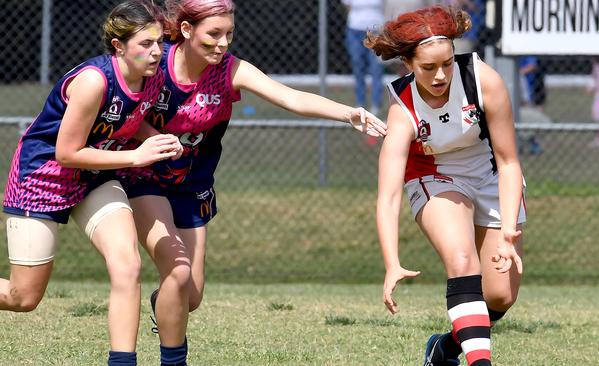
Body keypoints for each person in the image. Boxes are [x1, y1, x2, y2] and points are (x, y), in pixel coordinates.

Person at [116, 1, 387, 365]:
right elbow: (121, 108)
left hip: (192, 183)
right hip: (145, 177)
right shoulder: (155, 62)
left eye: (229, 33)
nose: (223, 43)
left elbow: (289, 96)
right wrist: (154, 138)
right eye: (213, 34)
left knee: (190, 295)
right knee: (178, 273)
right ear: (185, 31)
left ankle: (164, 301)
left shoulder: (229, 70)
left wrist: (348, 113)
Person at [0, 2, 181, 365]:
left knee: (127, 265)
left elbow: (125, 122)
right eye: (145, 44)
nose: (156, 52)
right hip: (43, 177)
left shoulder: (152, 75)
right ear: (118, 47)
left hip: (96, 176)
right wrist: (135, 156)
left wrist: (157, 140)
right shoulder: (93, 81)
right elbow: (66, 153)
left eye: (159, 42)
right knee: (23, 297)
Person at [365, 5, 525, 366]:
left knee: (499, 296)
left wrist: (509, 230)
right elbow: (388, 196)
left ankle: (445, 348)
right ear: (407, 63)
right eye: (427, 67)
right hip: (434, 175)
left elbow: (509, 161)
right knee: (462, 259)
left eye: (447, 63)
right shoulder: (402, 106)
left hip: (489, 173)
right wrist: (392, 262)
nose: (440, 75)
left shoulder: (484, 80)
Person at [342, 0, 385, 116]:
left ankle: (376, 104)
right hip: (355, 30)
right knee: (358, 67)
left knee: (376, 68)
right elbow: (348, 6)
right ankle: (360, 103)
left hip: (376, 31)